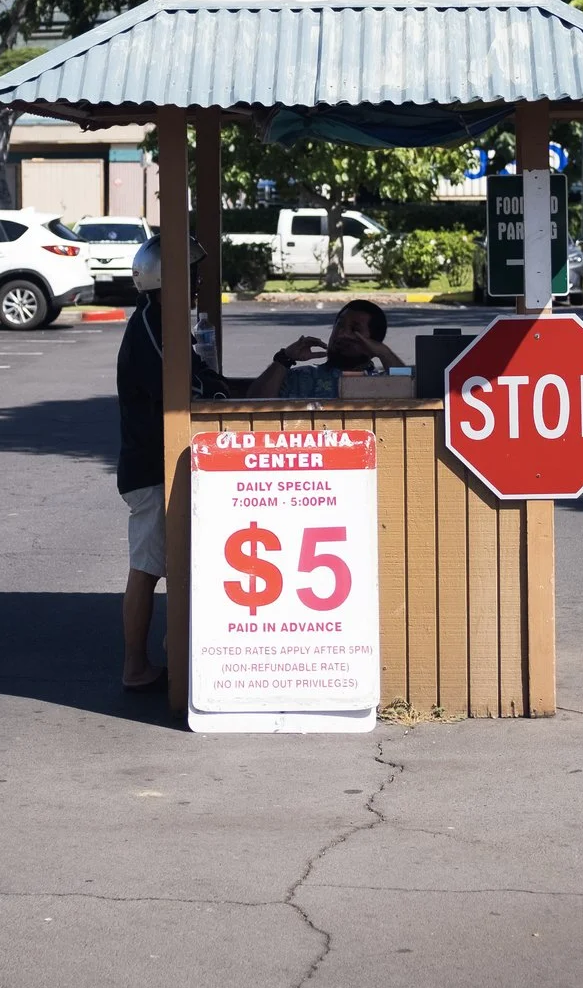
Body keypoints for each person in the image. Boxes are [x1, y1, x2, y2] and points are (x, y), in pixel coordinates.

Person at [114, 235, 241, 691]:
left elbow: (196, 373)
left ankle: (174, 650)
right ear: (164, 278)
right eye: (190, 274)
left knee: (171, 563)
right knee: (147, 569)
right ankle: (135, 666)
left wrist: (215, 384)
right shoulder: (152, 322)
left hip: (158, 461)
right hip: (150, 465)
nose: (197, 282)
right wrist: (217, 391)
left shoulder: (165, 321)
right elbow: (181, 384)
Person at [249, 299, 399, 399]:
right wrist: (284, 359)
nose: (342, 334)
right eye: (339, 325)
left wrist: (384, 353)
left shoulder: (384, 382)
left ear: (373, 342)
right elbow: (253, 405)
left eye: (354, 329)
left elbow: (411, 393)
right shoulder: (301, 377)